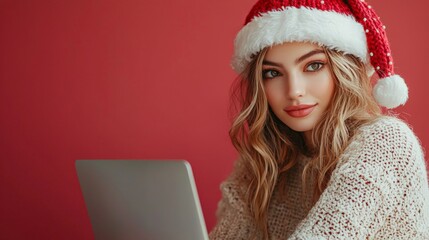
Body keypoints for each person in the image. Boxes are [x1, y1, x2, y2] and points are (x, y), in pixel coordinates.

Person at [209, 0, 429, 239]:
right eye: (273, 73)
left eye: (313, 66)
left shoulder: (385, 143)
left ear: (345, 70)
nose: (294, 90)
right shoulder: (264, 158)